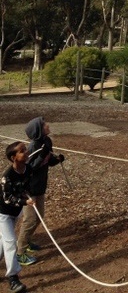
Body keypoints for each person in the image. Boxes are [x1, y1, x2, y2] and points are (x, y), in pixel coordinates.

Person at [17, 117, 64, 265]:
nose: (48, 125)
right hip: (28, 189)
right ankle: (20, 253)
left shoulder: (47, 142)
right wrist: (42, 154)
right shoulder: (32, 147)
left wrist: (57, 160)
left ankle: (27, 241)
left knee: (39, 216)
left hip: (40, 187)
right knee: (30, 220)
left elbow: (48, 161)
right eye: (44, 125)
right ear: (39, 130)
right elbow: (29, 168)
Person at [0, 141, 34, 293]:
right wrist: (24, 201)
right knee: (10, 242)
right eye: (22, 151)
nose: (26, 152)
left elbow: (25, 186)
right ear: (14, 157)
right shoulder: (7, 176)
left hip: (15, 212)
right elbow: (8, 198)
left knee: (3, 240)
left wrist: (26, 194)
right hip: (3, 213)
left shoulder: (28, 169)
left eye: (25, 149)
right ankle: (13, 278)